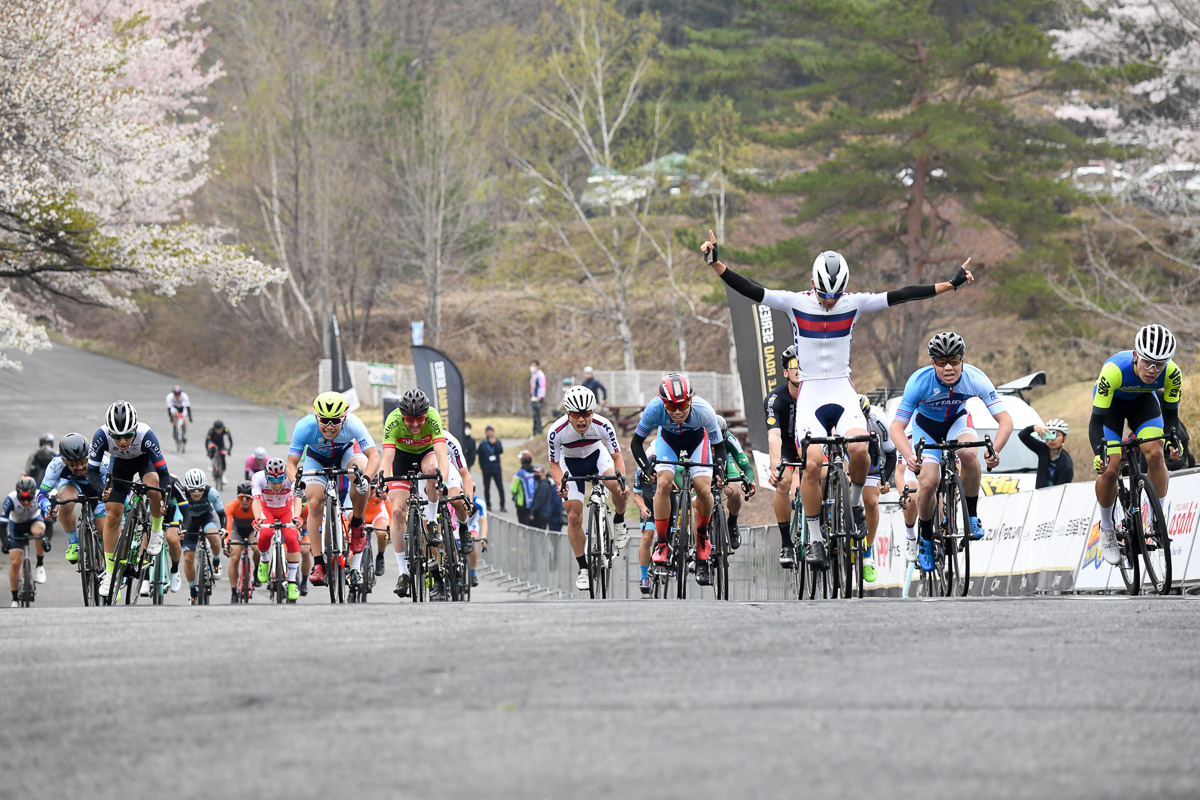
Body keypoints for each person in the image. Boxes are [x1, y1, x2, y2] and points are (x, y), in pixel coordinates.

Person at [703, 230, 974, 568]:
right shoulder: (795, 302)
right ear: (813, 285)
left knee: (860, 448)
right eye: (823, 295)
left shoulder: (854, 303)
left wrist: (950, 284)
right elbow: (750, 289)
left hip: (842, 389)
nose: (829, 302)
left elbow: (902, 294)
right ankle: (815, 539)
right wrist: (715, 263)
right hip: (812, 392)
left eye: (835, 296)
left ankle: (856, 504)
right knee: (813, 463)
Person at [889, 332, 1014, 573]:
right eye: (941, 361)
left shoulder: (975, 378)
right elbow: (897, 427)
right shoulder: (919, 382)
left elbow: (1005, 420)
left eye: (954, 360)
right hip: (926, 427)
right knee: (928, 483)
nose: (949, 367)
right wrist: (910, 455)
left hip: (957, 421)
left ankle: (973, 516)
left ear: (963, 360)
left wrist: (994, 451)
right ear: (932, 362)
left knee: (968, 454)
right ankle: (925, 538)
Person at [1090, 324, 1182, 565]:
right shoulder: (1113, 371)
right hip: (1110, 409)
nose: (1152, 370)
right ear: (1135, 356)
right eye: (1147, 363)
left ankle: (1155, 519)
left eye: (1159, 365)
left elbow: (1171, 417)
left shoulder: (1172, 374)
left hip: (1143, 403)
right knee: (1111, 469)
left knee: (1155, 453)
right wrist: (1099, 454)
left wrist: (1174, 440)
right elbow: (1096, 421)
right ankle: (1108, 529)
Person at [631, 372, 725, 586]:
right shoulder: (653, 409)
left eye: (682, 406)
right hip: (668, 441)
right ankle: (663, 542)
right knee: (663, 483)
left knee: (703, 489)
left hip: (696, 442)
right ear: (663, 404)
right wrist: (646, 468)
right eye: (671, 407)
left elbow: (719, 446)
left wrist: (719, 470)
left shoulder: (704, 411)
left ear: (690, 401)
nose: (677, 412)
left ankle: (702, 535)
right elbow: (636, 443)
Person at [288, 391, 380, 587]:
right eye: (324, 420)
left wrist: (366, 479)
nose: (329, 427)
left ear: (344, 418)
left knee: (360, 474)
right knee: (313, 503)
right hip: (317, 459)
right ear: (316, 417)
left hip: (347, 453)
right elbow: (291, 464)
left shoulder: (354, 424)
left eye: (335, 421)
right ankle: (319, 563)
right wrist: (296, 483)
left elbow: (374, 457)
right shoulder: (304, 427)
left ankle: (356, 523)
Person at [546, 386, 630, 590]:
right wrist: (560, 485)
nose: (581, 420)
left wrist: (622, 482)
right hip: (570, 463)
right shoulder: (556, 431)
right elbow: (554, 464)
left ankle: (619, 520)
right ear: (568, 413)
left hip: (597, 457)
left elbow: (617, 457)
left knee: (618, 488)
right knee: (574, 516)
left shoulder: (603, 425)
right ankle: (583, 567)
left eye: (586, 413)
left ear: (593, 411)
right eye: (576, 414)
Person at [90, 400, 171, 599]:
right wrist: (102, 490)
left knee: (153, 485)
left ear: (135, 428)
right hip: (120, 466)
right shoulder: (101, 436)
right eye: (117, 437)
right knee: (112, 513)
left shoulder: (146, 435)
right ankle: (110, 573)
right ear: (110, 433)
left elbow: (165, 474)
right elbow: (92, 471)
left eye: (127, 435)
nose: (123, 441)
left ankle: (156, 530)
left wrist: (164, 500)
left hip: (145, 462)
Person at [380, 388, 450, 599]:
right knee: (398, 513)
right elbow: (387, 458)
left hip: (427, 453)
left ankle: (430, 521)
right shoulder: (392, 420)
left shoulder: (433, 417)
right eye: (410, 419)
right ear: (402, 416)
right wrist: (381, 479)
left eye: (420, 418)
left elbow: (442, 457)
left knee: (431, 471)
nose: (416, 424)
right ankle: (403, 572)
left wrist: (442, 481)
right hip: (402, 457)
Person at [39, 433, 113, 569]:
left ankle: (107, 569)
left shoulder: (101, 460)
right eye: (74, 464)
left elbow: (115, 485)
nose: (79, 467)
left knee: (103, 531)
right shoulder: (56, 464)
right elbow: (42, 494)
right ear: (64, 460)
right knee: (65, 504)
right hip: (72, 484)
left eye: (83, 462)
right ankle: (74, 543)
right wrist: (48, 507)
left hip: (97, 485)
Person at [765, 345, 802, 568]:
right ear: (785, 372)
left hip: (811, 444)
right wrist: (774, 466)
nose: (798, 369)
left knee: (826, 473)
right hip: (788, 447)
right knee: (783, 482)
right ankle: (786, 543)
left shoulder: (816, 393)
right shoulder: (775, 399)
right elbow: (774, 436)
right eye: (793, 366)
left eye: (802, 365)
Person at [251, 458, 302, 602]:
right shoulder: (258, 478)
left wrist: (297, 517)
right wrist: (257, 519)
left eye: (280, 481)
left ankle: (292, 583)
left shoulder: (291, 477)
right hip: (267, 510)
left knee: (292, 539)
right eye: (273, 483)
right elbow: (256, 501)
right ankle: (264, 560)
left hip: (286, 510)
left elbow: (298, 498)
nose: (278, 486)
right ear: (266, 478)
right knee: (265, 533)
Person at [859, 394, 896, 583]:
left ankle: (868, 550)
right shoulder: (837, 421)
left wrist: (884, 479)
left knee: (872, 502)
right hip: (846, 460)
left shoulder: (878, 419)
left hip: (871, 462)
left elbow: (891, 456)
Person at [178, 468, 226, 603]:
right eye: (193, 490)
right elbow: (177, 515)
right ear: (187, 488)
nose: (197, 493)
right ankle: (192, 590)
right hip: (189, 521)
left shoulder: (212, 492)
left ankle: (216, 561)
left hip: (206, 517)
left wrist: (222, 528)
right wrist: (180, 529)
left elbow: (221, 514)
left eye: (200, 489)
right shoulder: (181, 493)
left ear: (205, 487)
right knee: (188, 559)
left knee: (213, 535)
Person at [3, 476, 49, 603]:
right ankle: (14, 599)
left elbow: (49, 521)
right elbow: (2, 524)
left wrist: (46, 540)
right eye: (22, 499)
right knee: (15, 564)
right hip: (16, 526)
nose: (26, 502)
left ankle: (40, 565)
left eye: (29, 499)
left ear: (34, 494)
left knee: (39, 532)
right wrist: (5, 542)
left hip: (34, 522)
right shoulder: (11, 498)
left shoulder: (41, 496)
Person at [715, 415, 756, 552]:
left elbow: (747, 469)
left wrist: (749, 483)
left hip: (725, 464)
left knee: (735, 492)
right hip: (704, 465)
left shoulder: (730, 439)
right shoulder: (697, 437)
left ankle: (732, 522)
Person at [222, 481, 257, 602]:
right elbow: (229, 528)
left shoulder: (257, 506)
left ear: (252, 499)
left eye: (248, 498)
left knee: (257, 548)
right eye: (241, 497)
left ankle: (257, 570)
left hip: (252, 529)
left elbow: (261, 528)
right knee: (235, 556)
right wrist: (227, 544)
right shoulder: (231, 506)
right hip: (237, 530)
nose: (244, 501)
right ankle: (233, 592)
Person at [1018, 418, 1075, 489]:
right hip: (1039, 495)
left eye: (1056, 435)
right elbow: (1022, 436)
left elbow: (1060, 491)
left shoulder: (1066, 464)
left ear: (1065, 439)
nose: (1052, 439)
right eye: (1049, 434)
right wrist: (1033, 428)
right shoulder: (1042, 449)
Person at [477, 426, 505, 511]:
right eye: (488, 431)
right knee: (487, 487)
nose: (490, 433)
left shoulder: (498, 442)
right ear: (486, 433)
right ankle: (488, 505)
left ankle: (502, 505)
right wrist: (482, 467)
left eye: (491, 431)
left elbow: (500, 451)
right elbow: (480, 456)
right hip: (486, 469)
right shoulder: (483, 444)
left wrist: (495, 443)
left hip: (496, 469)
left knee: (500, 487)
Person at [511, 450, 537, 526]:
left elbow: (513, 489)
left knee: (522, 526)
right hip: (533, 504)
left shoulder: (519, 473)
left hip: (521, 504)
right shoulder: (535, 472)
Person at [529, 465, 557, 529]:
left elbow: (539, 500)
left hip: (540, 516)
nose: (535, 474)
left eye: (538, 472)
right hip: (542, 515)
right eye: (534, 472)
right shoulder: (541, 484)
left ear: (543, 473)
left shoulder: (543, 485)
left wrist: (533, 513)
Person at [530, 359, 547, 436]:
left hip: (538, 399)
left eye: (534, 365)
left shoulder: (540, 375)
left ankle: (539, 432)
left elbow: (542, 386)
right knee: (534, 416)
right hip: (534, 398)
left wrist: (540, 397)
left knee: (537, 416)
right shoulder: (534, 374)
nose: (532, 367)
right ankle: (534, 432)